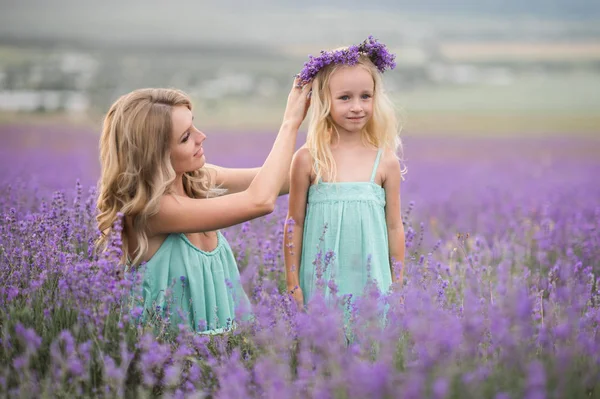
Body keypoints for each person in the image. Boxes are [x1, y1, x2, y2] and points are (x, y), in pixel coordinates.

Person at [96, 79, 311, 333]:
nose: (201, 137)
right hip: (173, 360)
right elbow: (261, 201)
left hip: (225, 350)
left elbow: (284, 181)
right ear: (155, 154)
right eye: (186, 137)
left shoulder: (196, 179)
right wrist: (290, 124)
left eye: (194, 125)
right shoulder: (152, 212)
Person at [284, 37, 406, 309]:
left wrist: (397, 283)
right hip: (319, 286)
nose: (357, 107)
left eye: (366, 96)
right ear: (324, 101)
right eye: (344, 98)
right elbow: (294, 224)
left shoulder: (385, 162)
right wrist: (293, 284)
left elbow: (395, 226)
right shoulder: (307, 159)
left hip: (373, 287)